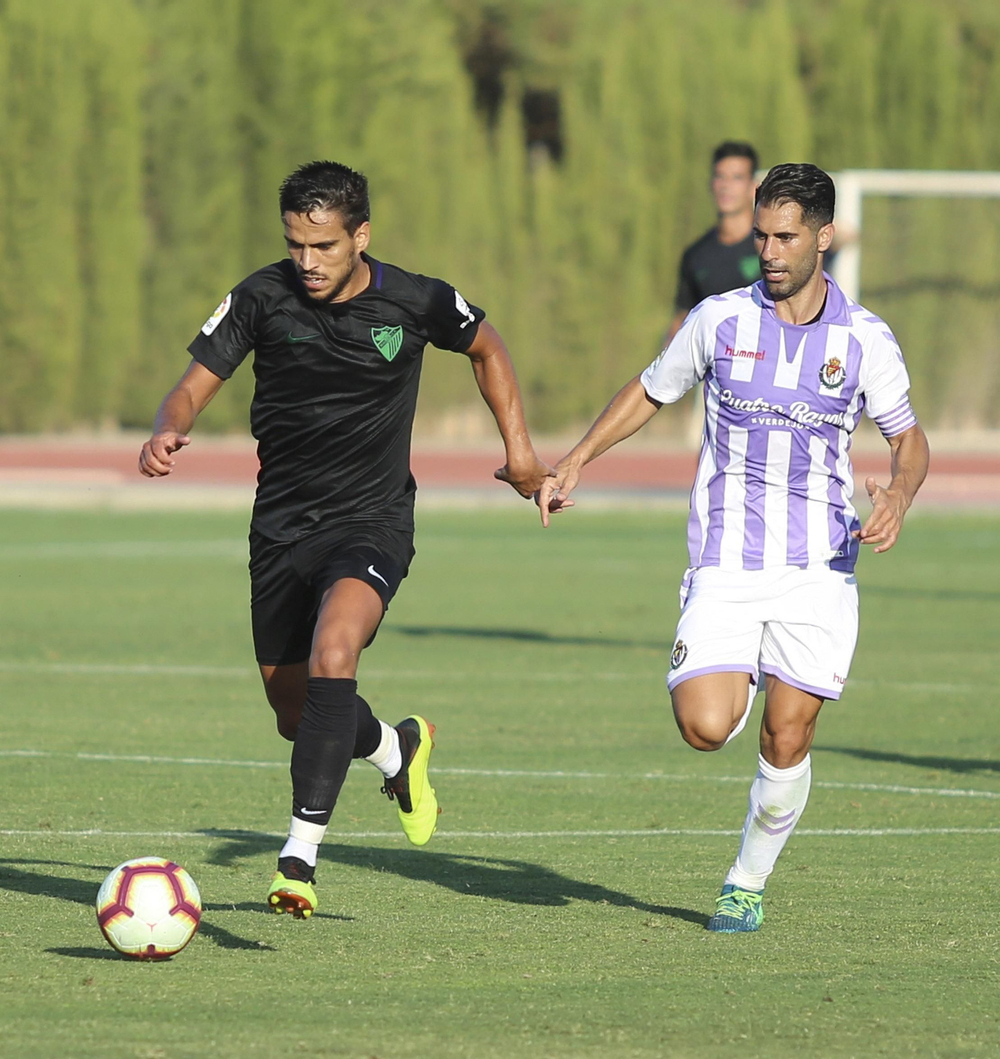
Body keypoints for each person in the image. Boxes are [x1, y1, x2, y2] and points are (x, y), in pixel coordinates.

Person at [138, 161, 548, 918]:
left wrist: (520, 451)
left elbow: (488, 349)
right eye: (296, 244)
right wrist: (170, 427)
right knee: (298, 714)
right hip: (280, 527)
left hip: (372, 519)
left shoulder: (415, 299)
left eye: (323, 245)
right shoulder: (261, 296)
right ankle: (397, 749)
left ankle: (298, 859)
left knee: (336, 655)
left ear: (361, 236)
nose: (308, 262)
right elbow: (193, 383)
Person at [536, 163, 929, 933]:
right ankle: (741, 665)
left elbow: (909, 440)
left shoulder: (864, 338)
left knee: (789, 734)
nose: (770, 251)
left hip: (819, 567)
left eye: (786, 237)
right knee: (706, 726)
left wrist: (899, 495)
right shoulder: (720, 320)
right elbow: (651, 388)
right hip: (724, 563)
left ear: (823, 237)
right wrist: (577, 457)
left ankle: (746, 879)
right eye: (761, 235)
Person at [665, 142, 762, 345]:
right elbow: (681, 322)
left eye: (737, 177)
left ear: (754, 187)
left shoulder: (771, 246)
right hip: (716, 370)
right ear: (711, 183)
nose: (726, 185)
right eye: (720, 176)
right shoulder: (696, 255)